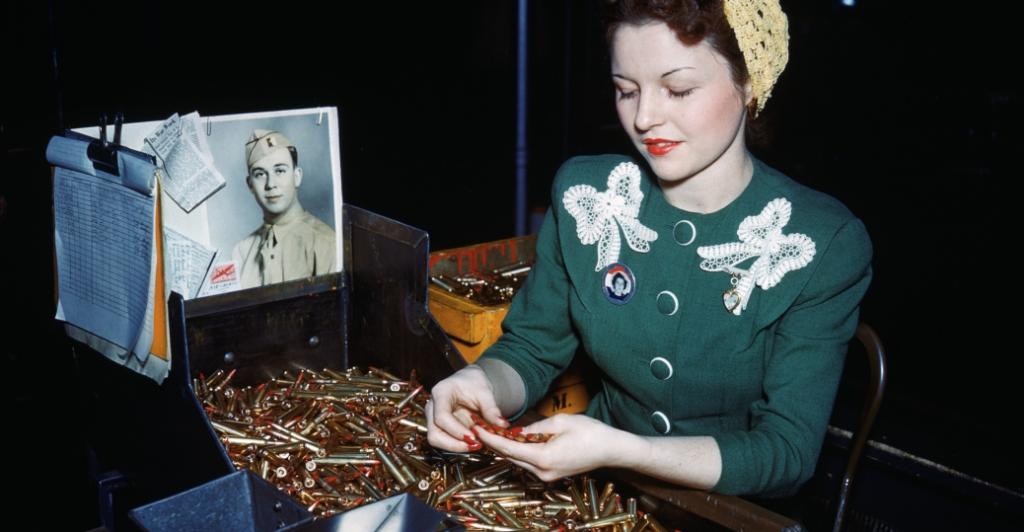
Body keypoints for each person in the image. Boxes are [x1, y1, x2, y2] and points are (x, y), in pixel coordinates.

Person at [426, 0, 873, 498]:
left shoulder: (822, 241)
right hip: (600, 494)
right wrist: (482, 385)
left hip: (728, 511)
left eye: (678, 89)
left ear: (748, 83)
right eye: (626, 90)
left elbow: (787, 453)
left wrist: (620, 448)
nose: (644, 118)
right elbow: (531, 348)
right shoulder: (587, 196)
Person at [231, 129, 337, 289]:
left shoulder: (325, 243)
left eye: (280, 170)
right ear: (250, 185)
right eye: (260, 174)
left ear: (297, 176)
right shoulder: (241, 252)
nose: (270, 184)